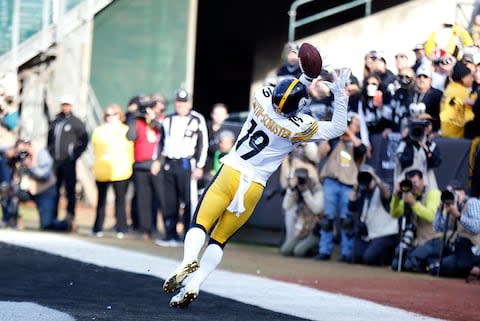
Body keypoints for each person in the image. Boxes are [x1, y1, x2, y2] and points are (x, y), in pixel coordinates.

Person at [163, 45, 350, 308]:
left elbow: (287, 90)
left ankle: (187, 261)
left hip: (231, 172)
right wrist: (340, 93)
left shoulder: (262, 97)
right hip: (255, 186)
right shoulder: (298, 127)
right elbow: (338, 127)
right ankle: (195, 283)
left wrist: (305, 76)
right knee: (220, 239)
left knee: (200, 223)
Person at [156, 88, 208, 246]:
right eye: (178, 102)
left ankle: (187, 235)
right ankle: (170, 233)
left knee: (188, 200)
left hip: (187, 164)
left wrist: (199, 165)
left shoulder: (197, 119)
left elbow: (203, 144)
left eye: (184, 102)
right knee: (169, 200)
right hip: (170, 163)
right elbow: (161, 141)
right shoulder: (167, 119)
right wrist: (158, 160)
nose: (181, 105)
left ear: (189, 103)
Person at [316, 112, 367, 261]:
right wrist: (333, 131)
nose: (348, 126)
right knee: (327, 219)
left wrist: (350, 134)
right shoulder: (333, 140)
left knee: (347, 220)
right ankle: (324, 250)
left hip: (348, 184)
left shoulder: (357, 142)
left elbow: (362, 150)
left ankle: (347, 253)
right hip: (331, 181)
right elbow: (320, 152)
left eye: (351, 124)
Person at [7, 139, 71, 231]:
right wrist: (13, 160)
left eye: (23, 151)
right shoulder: (22, 157)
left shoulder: (41, 153)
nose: (22, 154)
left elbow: (44, 175)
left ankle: (67, 224)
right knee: (11, 192)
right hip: (29, 190)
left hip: (45, 191)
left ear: (28, 146)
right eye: (19, 152)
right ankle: (13, 220)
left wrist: (30, 166)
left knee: (46, 225)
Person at [91, 105, 133, 238]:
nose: (111, 117)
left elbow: (129, 149)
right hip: (103, 170)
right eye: (108, 115)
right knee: (101, 201)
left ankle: (122, 228)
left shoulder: (125, 130)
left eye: (114, 114)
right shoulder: (99, 130)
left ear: (119, 115)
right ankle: (97, 228)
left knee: (120, 201)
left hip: (120, 171)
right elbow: (96, 148)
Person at [126, 96, 164, 240]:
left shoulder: (161, 122)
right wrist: (134, 117)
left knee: (160, 198)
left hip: (156, 165)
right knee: (143, 200)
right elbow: (130, 136)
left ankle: (166, 228)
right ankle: (145, 229)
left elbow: (164, 135)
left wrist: (152, 120)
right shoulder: (136, 122)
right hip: (140, 165)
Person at [47, 95, 88, 225]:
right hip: (56, 162)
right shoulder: (56, 121)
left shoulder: (76, 122)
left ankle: (70, 217)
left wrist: (74, 155)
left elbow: (84, 140)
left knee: (70, 190)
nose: (65, 107)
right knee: (54, 190)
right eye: (64, 104)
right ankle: (52, 216)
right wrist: (50, 153)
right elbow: (50, 139)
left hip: (68, 162)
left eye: (68, 105)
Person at [390, 169, 441, 271]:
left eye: (415, 183)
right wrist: (396, 196)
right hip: (419, 242)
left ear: (422, 181)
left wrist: (413, 203)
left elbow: (432, 216)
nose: (413, 186)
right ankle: (424, 263)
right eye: (411, 183)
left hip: (434, 240)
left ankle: (428, 263)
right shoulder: (411, 195)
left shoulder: (433, 193)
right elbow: (395, 213)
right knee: (396, 263)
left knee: (409, 264)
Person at [348, 164, 398, 265]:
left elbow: (388, 196)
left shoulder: (382, 188)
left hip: (384, 234)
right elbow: (351, 206)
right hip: (369, 234)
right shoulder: (362, 191)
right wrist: (356, 187)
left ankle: (386, 257)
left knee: (368, 259)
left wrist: (376, 179)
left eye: (368, 176)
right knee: (353, 258)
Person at [428, 181, 480, 277]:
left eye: (453, 193)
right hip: (459, 249)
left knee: (443, 267)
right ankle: (469, 270)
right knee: (433, 266)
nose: (451, 197)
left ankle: (473, 269)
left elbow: (476, 227)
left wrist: (458, 215)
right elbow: (437, 228)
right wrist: (440, 210)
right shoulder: (452, 207)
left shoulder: (473, 203)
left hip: (474, 249)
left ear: (462, 193)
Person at [280, 166, 323, 258]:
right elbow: (286, 206)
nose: (300, 181)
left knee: (298, 252)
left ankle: (316, 249)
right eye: (298, 178)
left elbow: (317, 209)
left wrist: (305, 192)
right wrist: (291, 190)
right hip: (303, 231)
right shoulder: (296, 189)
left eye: (302, 178)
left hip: (315, 231)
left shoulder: (316, 187)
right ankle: (304, 245)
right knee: (285, 250)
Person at [440, 61, 476, 138]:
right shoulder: (462, 93)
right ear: (463, 78)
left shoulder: (449, 88)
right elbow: (469, 117)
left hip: (445, 131)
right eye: (470, 76)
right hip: (457, 135)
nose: (472, 79)